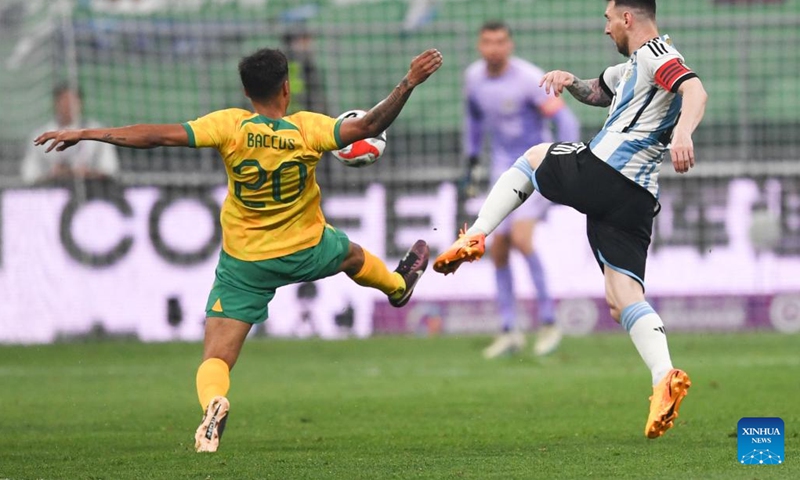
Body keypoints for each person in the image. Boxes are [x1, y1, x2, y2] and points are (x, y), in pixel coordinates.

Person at [36, 47, 443, 452]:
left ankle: (213, 403)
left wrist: (86, 133)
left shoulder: (228, 125)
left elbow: (155, 135)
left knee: (216, 358)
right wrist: (408, 82)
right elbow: (371, 124)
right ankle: (396, 286)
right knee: (351, 255)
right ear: (287, 88)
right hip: (307, 247)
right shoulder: (308, 129)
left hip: (246, 263)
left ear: (247, 92)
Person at [434, 0, 707, 439]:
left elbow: (694, 89)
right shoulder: (634, 66)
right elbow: (598, 90)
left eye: (607, 19)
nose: (605, 29)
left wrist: (684, 132)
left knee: (534, 157)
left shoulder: (660, 55)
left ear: (627, 18)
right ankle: (663, 378)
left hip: (609, 170)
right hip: (636, 199)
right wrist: (570, 82)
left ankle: (477, 235)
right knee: (623, 299)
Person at [462, 20, 581, 359]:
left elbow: (565, 119)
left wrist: (564, 156)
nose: (494, 48)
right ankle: (510, 329)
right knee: (497, 248)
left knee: (521, 239)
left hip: (537, 165)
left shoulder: (529, 80)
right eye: (488, 42)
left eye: (500, 41)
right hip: (503, 169)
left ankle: (548, 322)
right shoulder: (474, 79)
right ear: (479, 46)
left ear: (510, 45)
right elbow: (472, 120)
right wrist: (471, 161)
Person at [22, 83, 120, 185]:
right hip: (51, 192)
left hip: (91, 191)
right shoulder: (39, 135)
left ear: (81, 104)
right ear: (55, 103)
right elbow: (29, 176)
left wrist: (86, 174)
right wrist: (53, 175)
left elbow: (110, 170)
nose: (68, 106)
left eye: (72, 101)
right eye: (64, 101)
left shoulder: (99, 132)